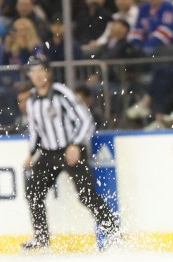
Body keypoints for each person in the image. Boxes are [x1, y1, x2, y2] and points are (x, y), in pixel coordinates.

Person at [21, 55, 120, 250]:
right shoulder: (31, 100)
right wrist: (31, 154)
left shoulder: (61, 93)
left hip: (70, 150)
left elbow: (86, 119)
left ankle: (113, 232)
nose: (38, 75)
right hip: (48, 153)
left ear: (48, 72)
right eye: (33, 72)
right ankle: (41, 238)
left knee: (87, 195)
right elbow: (35, 130)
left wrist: (75, 144)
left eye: (41, 70)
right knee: (33, 192)